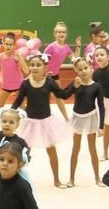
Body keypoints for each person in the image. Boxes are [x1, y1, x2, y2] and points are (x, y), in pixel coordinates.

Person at [12, 54, 71, 188]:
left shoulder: (50, 82)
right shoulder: (25, 84)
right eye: (32, 65)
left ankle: (57, 180)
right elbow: (18, 101)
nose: (34, 67)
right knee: (23, 151)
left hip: (46, 122)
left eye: (38, 65)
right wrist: (10, 113)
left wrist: (74, 85)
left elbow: (62, 95)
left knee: (51, 151)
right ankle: (16, 180)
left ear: (45, 67)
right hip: (30, 122)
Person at [60, 56, 105, 187]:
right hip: (77, 118)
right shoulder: (76, 83)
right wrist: (74, 86)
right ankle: (71, 179)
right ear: (76, 70)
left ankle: (98, 178)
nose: (84, 71)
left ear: (91, 68)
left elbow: (101, 106)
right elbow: (64, 96)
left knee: (92, 149)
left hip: (91, 117)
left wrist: (101, 126)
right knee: (76, 149)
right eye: (80, 69)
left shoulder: (96, 86)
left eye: (86, 68)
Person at [0, 33, 26, 120]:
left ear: (14, 46)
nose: (8, 46)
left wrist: (21, 59)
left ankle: (24, 127)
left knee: (22, 108)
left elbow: (26, 70)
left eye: (10, 44)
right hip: (6, 86)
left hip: (18, 86)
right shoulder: (1, 56)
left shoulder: (17, 56)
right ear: (3, 44)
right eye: (6, 44)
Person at [44, 22, 78, 120]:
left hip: (55, 75)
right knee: (44, 98)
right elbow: (42, 61)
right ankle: (44, 117)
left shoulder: (66, 47)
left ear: (66, 34)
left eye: (63, 32)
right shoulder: (51, 47)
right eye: (58, 32)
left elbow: (74, 59)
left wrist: (78, 46)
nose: (61, 34)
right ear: (55, 34)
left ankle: (66, 118)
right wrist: (44, 73)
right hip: (45, 76)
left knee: (59, 97)